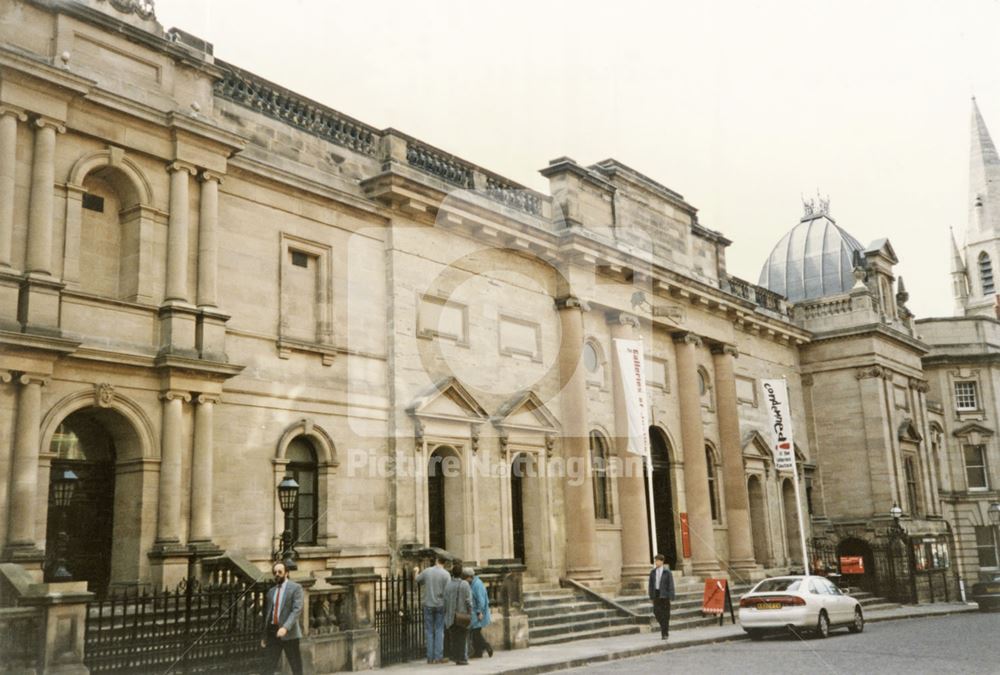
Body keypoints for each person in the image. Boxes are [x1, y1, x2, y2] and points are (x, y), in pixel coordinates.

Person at [261, 560, 304, 675]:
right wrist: (265, 636)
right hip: (273, 632)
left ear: (286, 573)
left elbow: (297, 610)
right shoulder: (271, 592)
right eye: (275, 572)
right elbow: (268, 614)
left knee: (296, 667)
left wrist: (285, 627)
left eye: (280, 572)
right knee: (268, 666)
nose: (277, 574)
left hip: (289, 632)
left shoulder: (296, 588)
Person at [415, 555, 451, 664]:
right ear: (444, 563)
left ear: (436, 561)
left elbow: (417, 579)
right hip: (440, 605)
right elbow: (448, 592)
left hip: (428, 604)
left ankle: (429, 658)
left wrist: (416, 571)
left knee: (429, 631)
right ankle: (438, 657)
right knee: (439, 631)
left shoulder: (427, 571)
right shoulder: (446, 574)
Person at [443, 566, 473, 665]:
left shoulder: (448, 585)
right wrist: (470, 612)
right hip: (462, 615)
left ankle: (456, 657)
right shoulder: (465, 584)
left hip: (451, 616)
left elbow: (445, 601)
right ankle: (462, 658)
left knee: (455, 638)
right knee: (462, 637)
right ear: (461, 574)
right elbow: (468, 601)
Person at [648, 554, 675, 640]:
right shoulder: (653, 572)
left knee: (666, 615)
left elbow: (671, 585)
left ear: (662, 561)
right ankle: (664, 627)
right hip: (656, 593)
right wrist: (651, 596)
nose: (656, 562)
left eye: (657, 561)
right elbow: (650, 585)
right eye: (655, 561)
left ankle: (664, 633)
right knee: (656, 612)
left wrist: (671, 596)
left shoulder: (667, 572)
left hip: (665, 594)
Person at [469, 569, 493, 658]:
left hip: (478, 613)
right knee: (475, 633)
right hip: (476, 612)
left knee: (476, 632)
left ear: (470, 577)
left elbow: (481, 600)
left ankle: (486, 646)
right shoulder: (475, 583)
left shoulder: (477, 585)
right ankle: (478, 652)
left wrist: (480, 612)